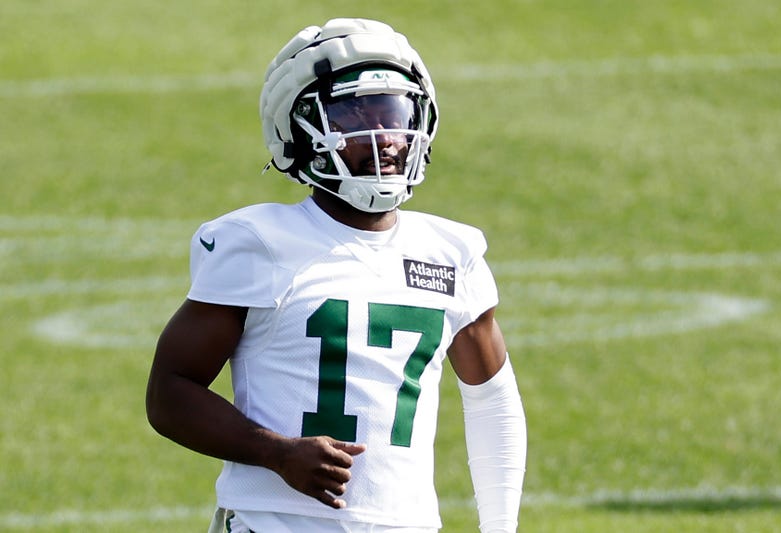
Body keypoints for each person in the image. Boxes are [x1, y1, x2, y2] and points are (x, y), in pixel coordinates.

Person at [145, 18, 527, 533]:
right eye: (353, 115)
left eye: (394, 114)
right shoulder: (260, 242)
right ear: (299, 130)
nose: (383, 136)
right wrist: (276, 453)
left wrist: (500, 527)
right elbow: (169, 392)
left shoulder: (451, 253)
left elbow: (492, 401)